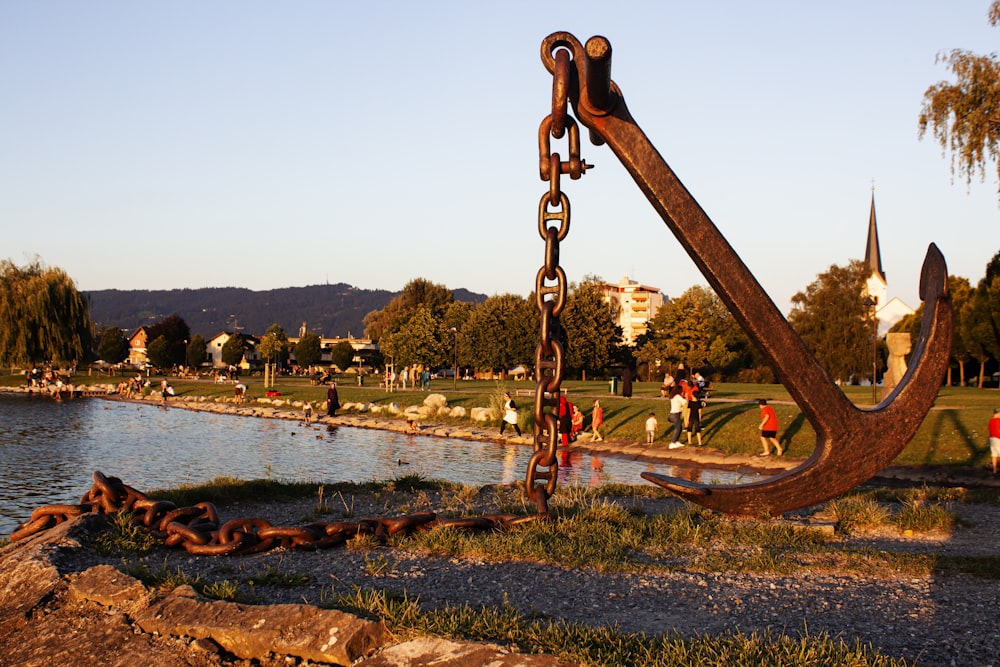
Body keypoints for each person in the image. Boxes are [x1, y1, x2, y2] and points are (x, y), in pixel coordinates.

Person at [989, 408, 1000, 476]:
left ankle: (994, 470)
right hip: (998, 438)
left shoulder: (991, 421)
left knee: (994, 454)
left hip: (992, 438)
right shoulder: (999, 421)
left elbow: (990, 429)